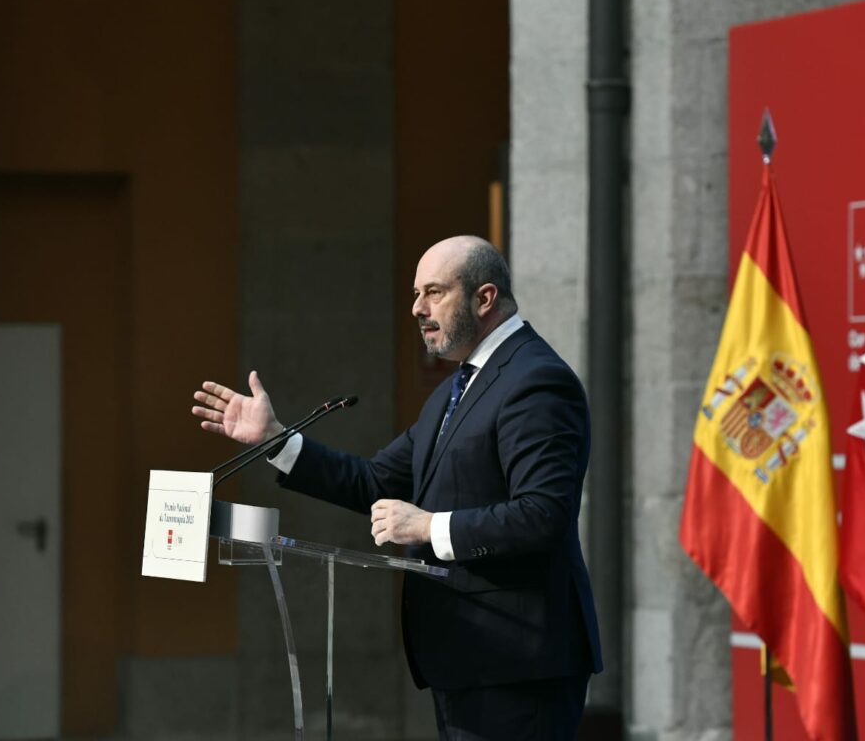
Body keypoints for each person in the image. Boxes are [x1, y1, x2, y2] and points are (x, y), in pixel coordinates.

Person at [192, 235, 602, 740]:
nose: (417, 309)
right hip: (468, 661)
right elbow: (376, 481)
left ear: (485, 298)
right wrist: (277, 440)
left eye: (433, 292)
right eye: (415, 294)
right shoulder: (459, 388)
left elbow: (543, 514)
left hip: (519, 666)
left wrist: (429, 526)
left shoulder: (536, 381)